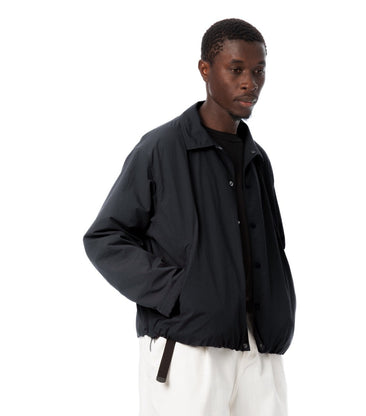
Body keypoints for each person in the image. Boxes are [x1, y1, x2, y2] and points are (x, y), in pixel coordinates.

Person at [83, 18, 296, 416]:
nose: (249, 83)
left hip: (260, 348)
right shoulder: (161, 149)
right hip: (188, 349)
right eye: (236, 70)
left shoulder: (257, 158)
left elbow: (272, 246)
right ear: (205, 70)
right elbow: (105, 237)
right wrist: (176, 292)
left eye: (258, 71)